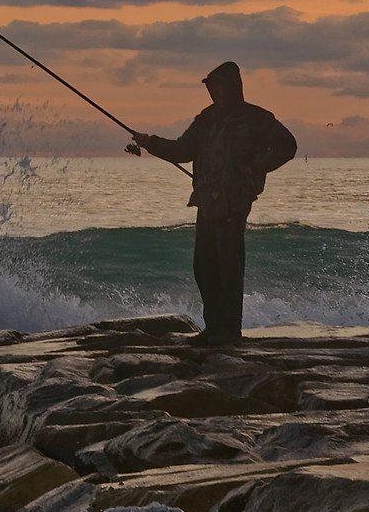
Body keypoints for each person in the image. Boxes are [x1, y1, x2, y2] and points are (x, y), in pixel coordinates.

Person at [127, 61, 297, 345]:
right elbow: (183, 150)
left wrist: (255, 167)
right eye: (212, 87)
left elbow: (287, 145)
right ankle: (213, 328)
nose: (215, 91)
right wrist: (151, 142)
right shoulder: (206, 119)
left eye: (219, 86)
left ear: (232, 87)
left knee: (229, 266)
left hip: (235, 201)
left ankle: (230, 331)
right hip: (207, 199)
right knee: (204, 266)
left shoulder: (256, 118)